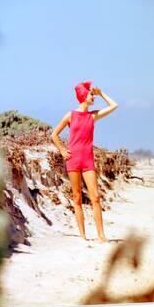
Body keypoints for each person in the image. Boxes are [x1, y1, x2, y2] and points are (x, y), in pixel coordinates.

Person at [51, 81, 119, 243]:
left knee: (95, 197)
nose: (93, 96)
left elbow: (114, 105)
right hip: (73, 159)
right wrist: (62, 149)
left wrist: (101, 93)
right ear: (83, 96)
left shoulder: (92, 116)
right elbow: (54, 135)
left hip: (88, 160)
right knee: (77, 198)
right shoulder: (70, 115)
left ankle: (101, 236)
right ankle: (82, 236)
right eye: (91, 94)